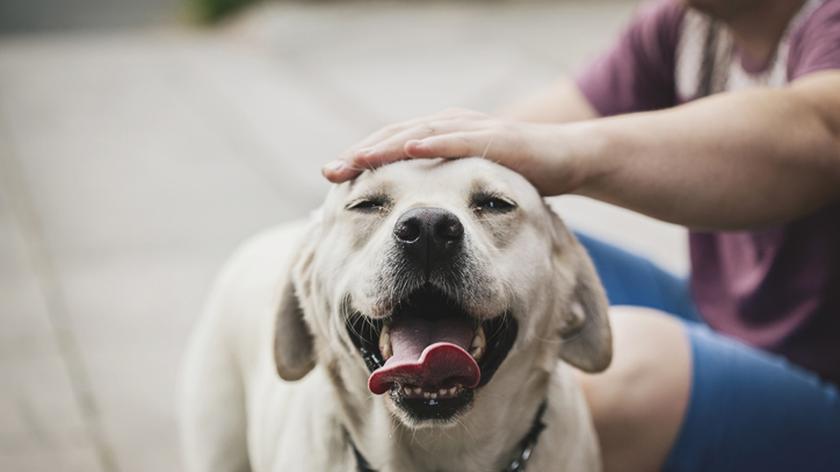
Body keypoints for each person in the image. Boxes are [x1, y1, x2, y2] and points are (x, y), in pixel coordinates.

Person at [321, 0, 840, 470]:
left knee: (624, 371)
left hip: (824, 385)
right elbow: (505, 140)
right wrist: (374, 212)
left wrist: (571, 155)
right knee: (524, 246)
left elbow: (821, 128)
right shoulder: (683, 25)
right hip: (720, 312)